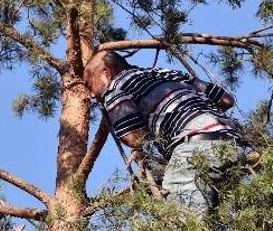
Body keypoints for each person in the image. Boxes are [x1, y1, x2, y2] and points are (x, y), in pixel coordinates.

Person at [84, 50, 247, 215]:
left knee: (184, 223)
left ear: (106, 74)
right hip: (234, 143)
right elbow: (226, 100)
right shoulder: (166, 73)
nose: (90, 95)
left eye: (90, 84)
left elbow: (135, 138)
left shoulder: (115, 87)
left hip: (195, 150)